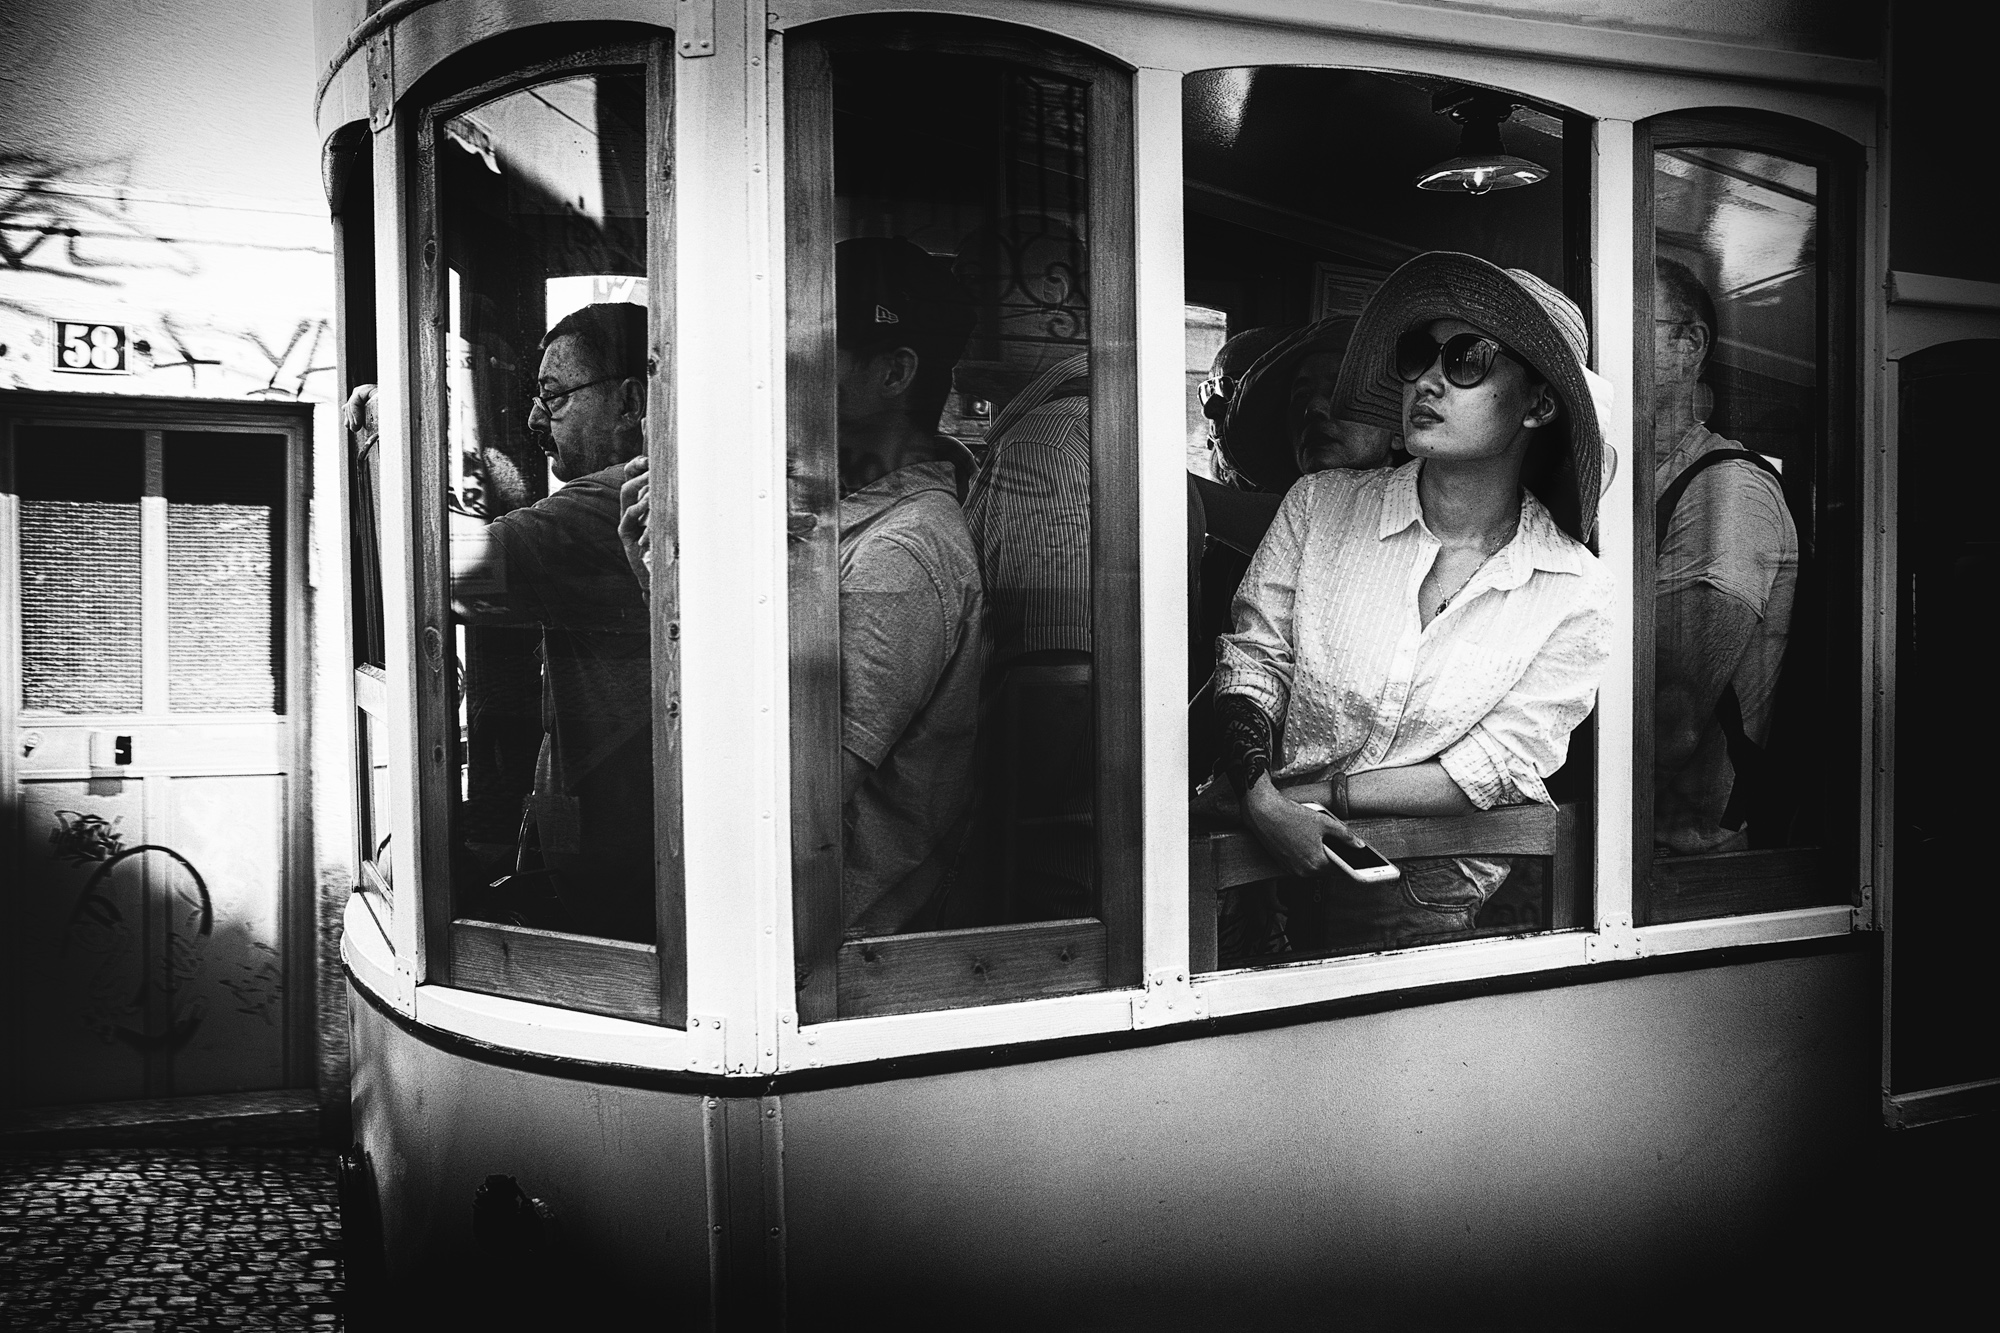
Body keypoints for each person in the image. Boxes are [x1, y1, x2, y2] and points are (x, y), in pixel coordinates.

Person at [1202, 253, 1612, 957]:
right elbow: (1253, 664)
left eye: (1467, 359)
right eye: (1419, 354)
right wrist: (1261, 799)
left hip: (1431, 891)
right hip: (1262, 863)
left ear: (1538, 405)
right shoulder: (1319, 507)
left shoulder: (1572, 587)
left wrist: (1312, 797)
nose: (1427, 379)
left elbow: (1489, 768)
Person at [623, 238, 986, 935]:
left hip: (824, 954)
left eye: (805, 357)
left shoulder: (897, 557)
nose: (778, 377)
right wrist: (661, 580)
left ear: (893, 373)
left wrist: (679, 595)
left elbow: (780, 805)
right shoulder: (845, 521)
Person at [451, 302, 655, 942]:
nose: (536, 419)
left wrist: (381, 441)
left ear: (630, 401)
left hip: (615, 899)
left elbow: (444, 574)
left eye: (555, 396)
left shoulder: (614, 500)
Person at [1651, 257, 1798, 856]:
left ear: (1689, 345)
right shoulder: (1622, 486)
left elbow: (1671, 715)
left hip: (1687, 862)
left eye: (1626, 322)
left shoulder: (1728, 490)